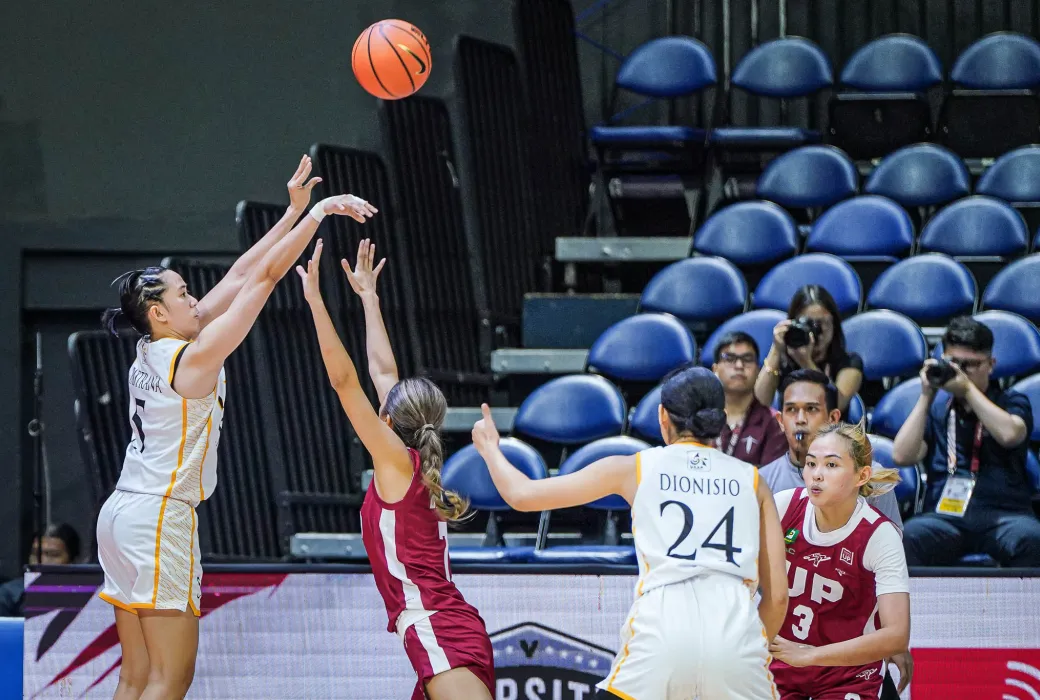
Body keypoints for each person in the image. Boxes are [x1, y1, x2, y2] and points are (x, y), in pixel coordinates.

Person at [95, 155, 375, 700]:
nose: (195, 297)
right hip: (157, 517)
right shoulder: (193, 361)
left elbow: (241, 273)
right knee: (170, 679)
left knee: (134, 677)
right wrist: (317, 214)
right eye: (182, 294)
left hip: (121, 514)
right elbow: (267, 278)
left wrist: (291, 213)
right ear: (158, 313)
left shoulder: (152, 350)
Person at [471, 365, 789, 700]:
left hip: (663, 631)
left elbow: (522, 495)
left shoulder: (634, 468)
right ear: (719, 418)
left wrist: (491, 448)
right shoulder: (753, 480)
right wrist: (742, 646)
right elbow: (778, 597)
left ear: (662, 416)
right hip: (735, 634)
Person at [298, 239, 494, 700]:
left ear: (387, 421)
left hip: (437, 627)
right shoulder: (415, 462)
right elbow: (383, 371)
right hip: (445, 624)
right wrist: (369, 299)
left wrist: (316, 303)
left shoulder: (397, 463)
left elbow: (346, 381)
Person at [769, 422, 911, 700]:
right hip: (781, 665)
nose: (816, 475)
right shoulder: (784, 506)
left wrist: (810, 655)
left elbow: (896, 635)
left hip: (847, 674)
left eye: (831, 466)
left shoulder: (879, 535)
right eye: (811, 464)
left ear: (862, 475)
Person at [892, 316, 1040, 567]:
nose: (960, 372)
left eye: (970, 365)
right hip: (945, 518)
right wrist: (926, 396)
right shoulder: (939, 411)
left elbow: (1010, 434)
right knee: (908, 537)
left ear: (991, 365)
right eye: (954, 364)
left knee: (1033, 539)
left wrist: (968, 391)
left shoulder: (1011, 402)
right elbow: (901, 456)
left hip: (1004, 517)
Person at [761, 370, 903, 530]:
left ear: (833, 418)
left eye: (811, 409)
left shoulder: (870, 477)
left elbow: (891, 546)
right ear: (780, 421)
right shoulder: (762, 481)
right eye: (791, 410)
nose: (800, 419)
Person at [755, 285, 863, 415]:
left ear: (834, 324)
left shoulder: (850, 362)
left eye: (822, 323)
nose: (817, 331)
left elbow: (836, 404)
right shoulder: (785, 362)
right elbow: (758, 406)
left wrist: (806, 362)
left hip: (832, 433)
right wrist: (776, 349)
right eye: (809, 323)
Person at [712, 331, 788, 465]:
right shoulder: (700, 417)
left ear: (758, 370)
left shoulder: (773, 423)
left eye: (747, 359)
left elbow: (770, 477)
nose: (739, 366)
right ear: (715, 369)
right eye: (730, 358)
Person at [0, 523, 82, 617]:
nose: (42, 561)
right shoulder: (8, 595)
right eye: (35, 554)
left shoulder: (86, 595)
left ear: (73, 560)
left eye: (53, 555)